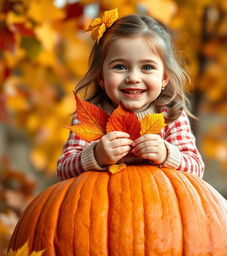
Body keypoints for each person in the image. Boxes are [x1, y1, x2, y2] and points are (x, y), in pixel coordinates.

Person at [57, 9, 205, 181]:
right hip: (103, 204)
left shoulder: (171, 116)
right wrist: (96, 155)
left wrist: (166, 154)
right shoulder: (89, 117)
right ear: (101, 77)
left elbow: (196, 170)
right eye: (120, 67)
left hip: (160, 203)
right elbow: (63, 171)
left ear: (164, 78)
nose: (133, 78)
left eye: (147, 67)